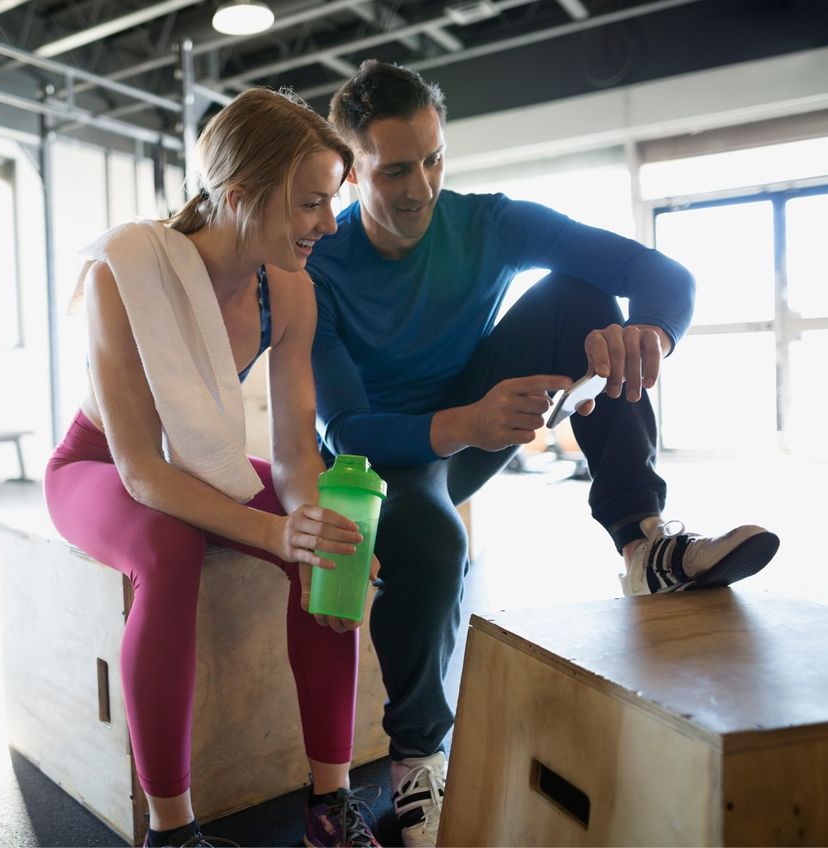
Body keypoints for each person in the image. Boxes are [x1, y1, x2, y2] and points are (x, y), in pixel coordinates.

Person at [305, 60, 780, 848]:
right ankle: (417, 757)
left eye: (434, 159)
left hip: (469, 434)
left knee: (587, 304)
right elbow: (345, 427)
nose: (420, 186)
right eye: (394, 170)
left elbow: (662, 274)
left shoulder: (489, 223)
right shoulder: (321, 264)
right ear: (352, 171)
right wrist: (467, 420)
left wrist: (649, 335)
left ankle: (643, 541)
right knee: (434, 541)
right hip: (381, 462)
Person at [44, 89, 382, 848]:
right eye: (310, 205)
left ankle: (330, 807)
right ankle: (174, 831)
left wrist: (305, 524)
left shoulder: (288, 290)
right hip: (98, 466)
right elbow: (141, 473)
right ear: (238, 199)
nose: (329, 224)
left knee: (331, 540)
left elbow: (297, 453)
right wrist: (273, 532)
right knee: (170, 547)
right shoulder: (123, 273)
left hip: (199, 467)